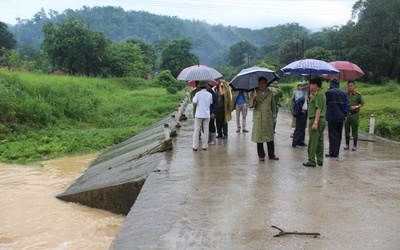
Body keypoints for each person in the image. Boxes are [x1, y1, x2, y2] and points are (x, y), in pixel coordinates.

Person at [249, 76, 279, 162]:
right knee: (259, 137)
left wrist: (274, 118)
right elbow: (250, 105)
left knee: (270, 137)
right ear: (258, 84)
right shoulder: (254, 92)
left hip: (268, 117)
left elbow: (273, 106)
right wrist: (254, 98)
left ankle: (272, 154)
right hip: (259, 117)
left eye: (263, 83)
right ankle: (261, 155)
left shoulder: (270, 93)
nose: (261, 85)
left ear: (266, 84)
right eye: (260, 83)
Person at [303, 77, 326, 167]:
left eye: (311, 84)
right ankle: (320, 160)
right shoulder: (318, 94)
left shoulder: (319, 94)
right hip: (320, 119)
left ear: (315, 85)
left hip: (316, 119)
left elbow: (318, 109)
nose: (310, 86)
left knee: (313, 140)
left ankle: (311, 160)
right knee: (320, 140)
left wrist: (315, 122)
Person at [325, 78, 350, 157]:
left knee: (332, 135)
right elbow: (347, 105)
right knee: (339, 134)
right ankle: (336, 151)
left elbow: (323, 103)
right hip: (341, 117)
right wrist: (345, 114)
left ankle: (333, 152)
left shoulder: (328, 93)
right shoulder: (343, 93)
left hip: (332, 116)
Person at [192, 81, 213, 151]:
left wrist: (193, 100)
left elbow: (194, 103)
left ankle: (195, 146)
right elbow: (210, 103)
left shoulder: (197, 94)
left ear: (199, 87)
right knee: (206, 130)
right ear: (206, 86)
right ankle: (205, 146)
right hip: (207, 115)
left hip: (198, 115)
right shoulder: (210, 94)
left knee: (197, 130)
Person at [345, 80, 365, 151]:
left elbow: (362, 103)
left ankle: (354, 145)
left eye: (351, 86)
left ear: (354, 86)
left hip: (355, 114)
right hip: (347, 114)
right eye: (349, 86)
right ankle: (347, 144)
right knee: (346, 130)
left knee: (355, 130)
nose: (350, 87)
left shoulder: (358, 95)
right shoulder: (345, 94)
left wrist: (356, 107)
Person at [292, 82, 309, 148]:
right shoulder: (300, 93)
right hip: (301, 113)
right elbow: (297, 102)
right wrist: (300, 109)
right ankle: (295, 142)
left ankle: (301, 141)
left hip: (304, 112)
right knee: (299, 128)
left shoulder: (304, 93)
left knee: (303, 127)